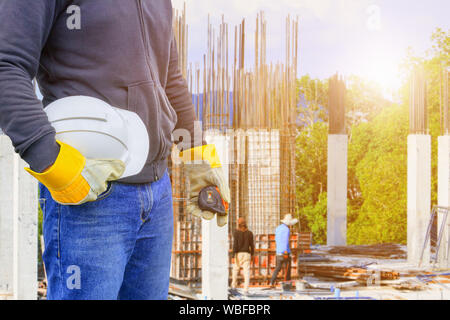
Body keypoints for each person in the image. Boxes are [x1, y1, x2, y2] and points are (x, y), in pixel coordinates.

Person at [0, 0, 230, 300]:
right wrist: (53, 163)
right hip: (91, 197)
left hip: (157, 193)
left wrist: (196, 155)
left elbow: (169, 79)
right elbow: (6, 66)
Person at [269, 214, 298, 287]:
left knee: (278, 268)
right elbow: (285, 241)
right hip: (284, 253)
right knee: (288, 268)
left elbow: (277, 240)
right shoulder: (287, 229)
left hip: (278, 252)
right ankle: (287, 283)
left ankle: (271, 282)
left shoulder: (278, 228)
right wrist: (286, 252)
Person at [231, 217, 254, 294]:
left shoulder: (236, 232)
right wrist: (252, 255)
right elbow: (252, 245)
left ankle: (233, 286)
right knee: (246, 272)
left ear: (239, 224)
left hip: (238, 254)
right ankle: (246, 289)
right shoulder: (250, 233)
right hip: (247, 254)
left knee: (235, 270)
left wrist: (233, 256)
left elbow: (235, 245)